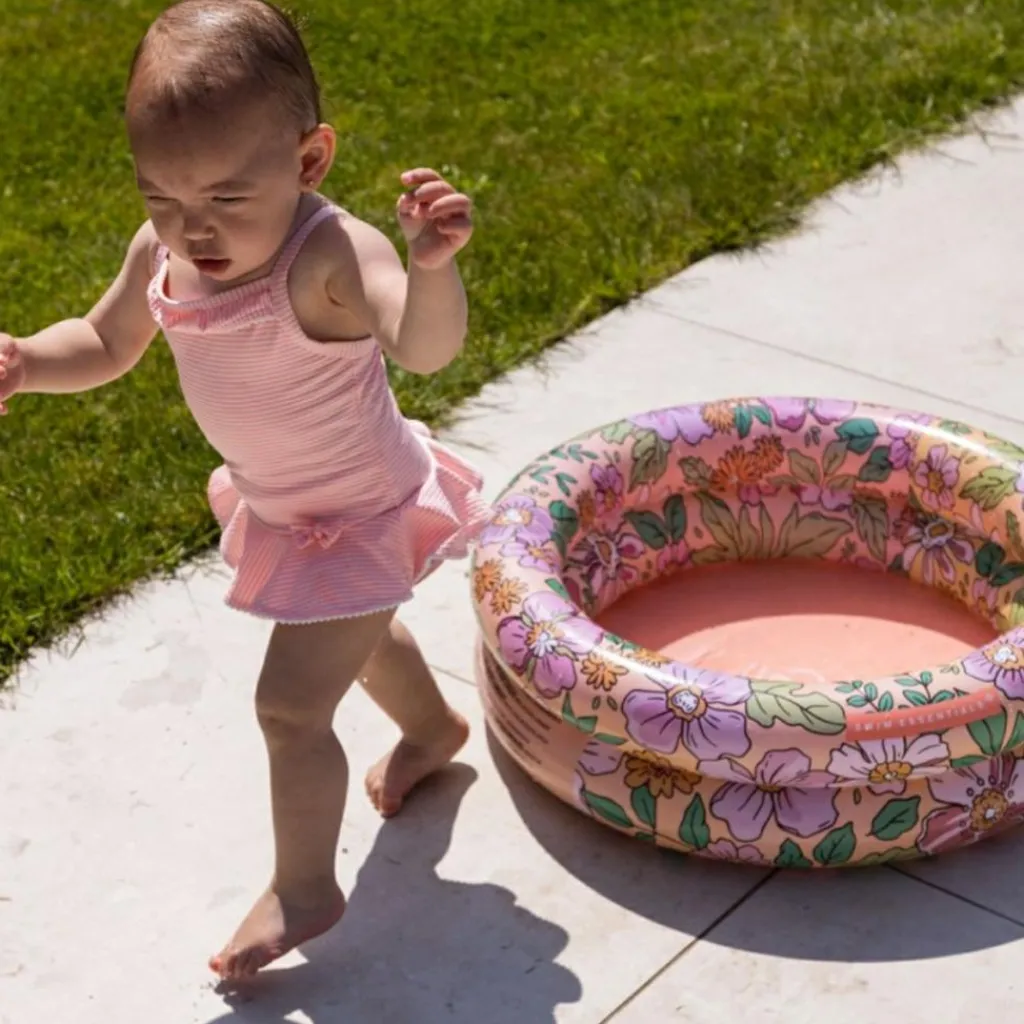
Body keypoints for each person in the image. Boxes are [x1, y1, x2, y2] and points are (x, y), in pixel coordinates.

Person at [0, 0, 489, 982]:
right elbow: (101, 342)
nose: (195, 228)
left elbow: (425, 348)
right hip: (286, 504)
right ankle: (433, 728)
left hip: (359, 510)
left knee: (288, 707)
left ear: (310, 162)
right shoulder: (166, 252)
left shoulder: (330, 258)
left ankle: (306, 886)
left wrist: (432, 270)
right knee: (356, 639)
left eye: (227, 197)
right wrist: (22, 362)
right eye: (162, 196)